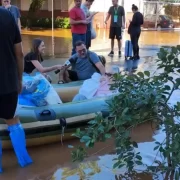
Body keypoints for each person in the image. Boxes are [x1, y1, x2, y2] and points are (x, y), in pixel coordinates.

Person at [0, 8, 32, 172]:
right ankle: (24, 163)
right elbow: (19, 53)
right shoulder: (7, 16)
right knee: (13, 121)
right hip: (7, 82)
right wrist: (19, 79)